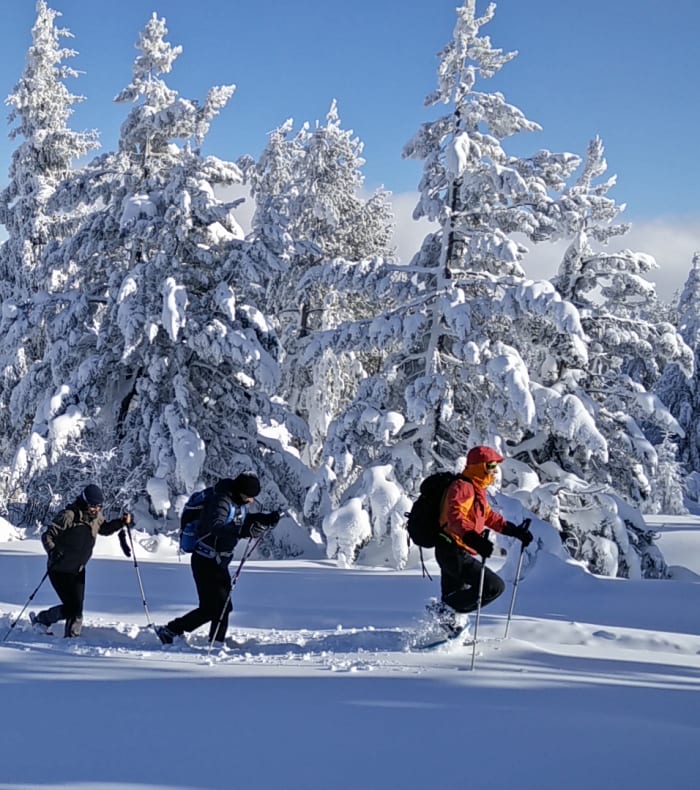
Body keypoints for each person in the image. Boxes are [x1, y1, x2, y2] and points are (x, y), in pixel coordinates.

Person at [155, 473, 280, 647]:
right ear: (240, 491)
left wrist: (265, 519)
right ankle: (208, 641)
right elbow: (215, 527)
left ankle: (176, 632)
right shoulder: (221, 501)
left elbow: (242, 520)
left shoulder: (236, 502)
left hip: (217, 562)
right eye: (249, 496)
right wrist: (244, 532)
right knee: (219, 608)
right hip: (205, 560)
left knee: (216, 607)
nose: (250, 501)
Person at [429, 446, 533, 637]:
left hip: (455, 548)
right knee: (493, 587)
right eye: (491, 465)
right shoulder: (462, 487)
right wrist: (473, 538)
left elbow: (489, 517)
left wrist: (514, 531)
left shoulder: (476, 490)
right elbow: (455, 516)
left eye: (495, 466)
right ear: (479, 466)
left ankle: (445, 636)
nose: (494, 471)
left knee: (454, 598)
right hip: (451, 549)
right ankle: (444, 612)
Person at [31, 484, 132, 638]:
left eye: (99, 506)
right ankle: (42, 620)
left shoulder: (96, 517)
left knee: (77, 608)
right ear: (84, 502)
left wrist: (120, 522)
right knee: (72, 607)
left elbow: (104, 528)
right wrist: (53, 551)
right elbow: (48, 536)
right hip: (59, 569)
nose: (96, 510)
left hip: (78, 569)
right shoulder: (69, 516)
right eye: (92, 506)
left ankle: (71, 636)